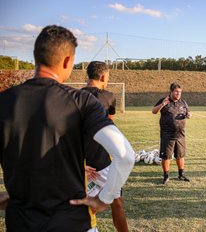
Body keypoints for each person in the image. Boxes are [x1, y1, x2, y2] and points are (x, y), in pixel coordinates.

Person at [0, 25, 135, 232]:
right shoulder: (81, 101)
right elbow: (125, 155)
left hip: (20, 223)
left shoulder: (4, 101)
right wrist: (104, 198)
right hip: (72, 221)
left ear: (36, 57)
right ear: (67, 61)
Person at [81, 61, 129, 232]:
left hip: (81, 163)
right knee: (117, 203)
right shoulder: (108, 96)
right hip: (102, 161)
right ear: (103, 76)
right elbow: (110, 125)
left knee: (81, 206)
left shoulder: (72, 97)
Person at [152, 82, 191, 184]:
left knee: (180, 155)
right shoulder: (164, 100)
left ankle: (181, 174)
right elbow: (154, 111)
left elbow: (188, 113)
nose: (178, 94)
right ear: (171, 91)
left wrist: (188, 115)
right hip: (167, 135)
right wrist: (162, 104)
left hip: (180, 135)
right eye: (176, 92)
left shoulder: (183, 102)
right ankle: (166, 176)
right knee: (166, 156)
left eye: (180, 92)